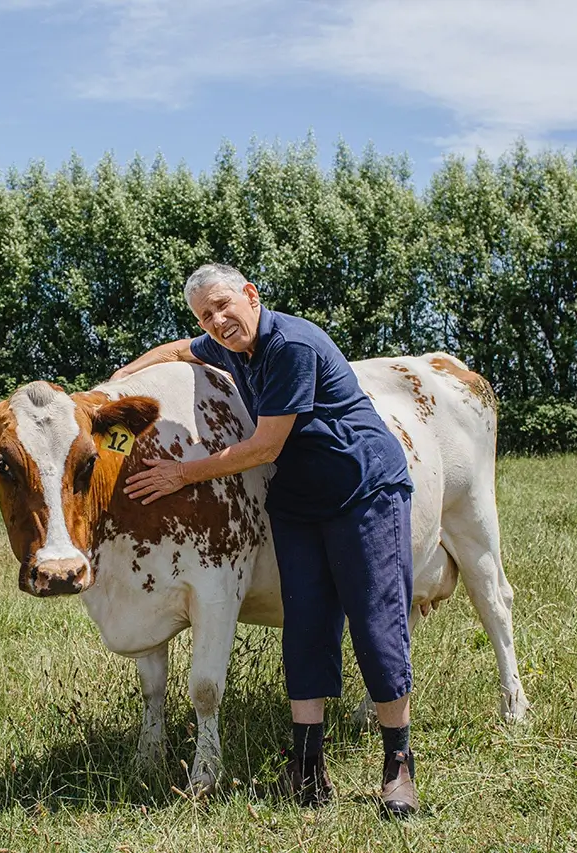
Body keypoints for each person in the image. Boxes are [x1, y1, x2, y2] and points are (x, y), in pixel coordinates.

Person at [111, 262, 418, 816]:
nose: (218, 320)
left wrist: (181, 474)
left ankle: (398, 767)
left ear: (251, 295)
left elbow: (264, 447)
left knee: (375, 623)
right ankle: (307, 771)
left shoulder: (290, 344)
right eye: (206, 315)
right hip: (299, 501)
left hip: (361, 486)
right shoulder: (227, 345)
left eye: (224, 305)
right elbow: (177, 349)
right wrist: (112, 389)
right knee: (304, 627)